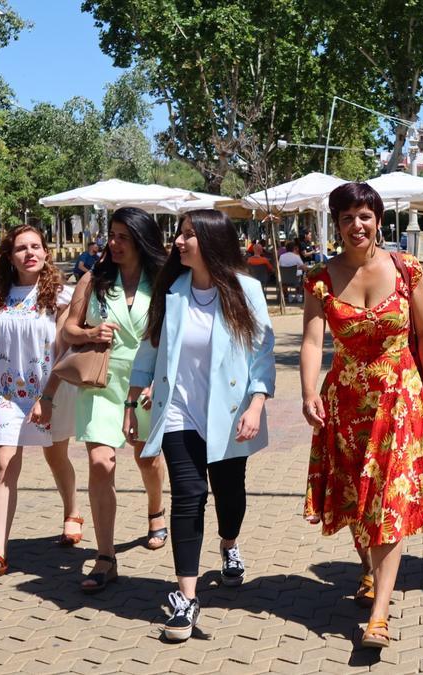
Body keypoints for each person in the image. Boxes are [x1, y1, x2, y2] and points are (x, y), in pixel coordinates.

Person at [301, 182, 423, 649]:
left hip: (398, 399)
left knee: (387, 500)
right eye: (346, 218)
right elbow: (310, 341)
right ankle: (367, 570)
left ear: (378, 220)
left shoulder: (407, 269)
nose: (356, 226)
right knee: (356, 499)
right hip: (344, 402)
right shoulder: (321, 279)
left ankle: (380, 614)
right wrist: (307, 393)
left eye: (364, 216)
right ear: (337, 225)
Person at [123, 209, 276, 642]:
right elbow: (149, 349)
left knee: (230, 496)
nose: (178, 242)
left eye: (188, 235)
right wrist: (134, 400)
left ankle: (229, 544)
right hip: (179, 411)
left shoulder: (245, 289)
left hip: (230, 412)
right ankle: (186, 597)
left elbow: (262, 352)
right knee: (189, 496)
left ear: (210, 240)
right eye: (179, 234)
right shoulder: (171, 290)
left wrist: (257, 403)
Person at [0, 226, 83, 586]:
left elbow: (64, 349)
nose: (30, 253)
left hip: (47, 389)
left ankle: (73, 512)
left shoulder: (61, 297)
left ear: (46, 253)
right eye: (21, 248)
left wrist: (46, 396)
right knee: (4, 465)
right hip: (4, 394)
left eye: (36, 246)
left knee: (56, 456)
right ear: (9, 255)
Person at [60, 207, 168, 593]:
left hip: (146, 383)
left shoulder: (162, 282)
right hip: (101, 380)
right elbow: (69, 329)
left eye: (124, 236)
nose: (114, 242)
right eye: (112, 234)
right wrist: (89, 334)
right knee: (100, 462)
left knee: (147, 457)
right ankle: (105, 556)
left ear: (141, 239)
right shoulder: (94, 278)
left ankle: (156, 510)